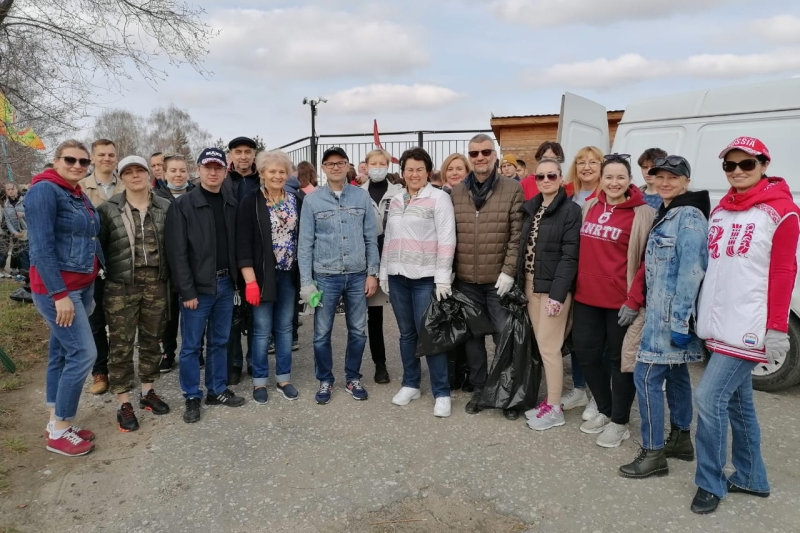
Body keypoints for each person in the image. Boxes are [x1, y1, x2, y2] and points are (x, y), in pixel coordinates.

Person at [691, 137, 800, 514]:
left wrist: (777, 327)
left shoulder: (783, 212)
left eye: (747, 164)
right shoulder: (721, 210)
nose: (737, 171)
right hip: (717, 322)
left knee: (708, 398)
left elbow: (784, 270)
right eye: (730, 165)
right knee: (739, 403)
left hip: (749, 325)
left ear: (764, 165)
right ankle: (752, 477)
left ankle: (710, 482)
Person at [618, 155, 709, 478]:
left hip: (669, 318)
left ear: (686, 181)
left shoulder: (689, 217)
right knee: (676, 373)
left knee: (646, 377)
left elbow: (692, 272)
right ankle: (681, 439)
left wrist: (680, 321)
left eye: (673, 177)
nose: (665, 182)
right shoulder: (667, 211)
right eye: (660, 177)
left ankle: (653, 452)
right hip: (659, 313)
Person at [26, 140, 104, 456]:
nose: (77, 166)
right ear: (56, 161)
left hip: (81, 286)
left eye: (84, 162)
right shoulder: (45, 191)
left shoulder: (75, 192)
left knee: (61, 352)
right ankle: (60, 430)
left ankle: (55, 421)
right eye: (70, 160)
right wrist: (59, 294)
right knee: (83, 353)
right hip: (59, 289)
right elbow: (41, 248)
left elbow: (88, 236)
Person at [573, 154, 655, 448]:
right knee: (586, 354)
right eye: (609, 177)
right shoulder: (590, 206)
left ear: (630, 180)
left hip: (621, 302)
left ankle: (619, 422)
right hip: (586, 297)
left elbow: (647, 261)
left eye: (621, 177)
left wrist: (634, 300)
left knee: (621, 362)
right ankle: (606, 410)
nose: (614, 183)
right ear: (601, 179)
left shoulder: (643, 213)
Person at [166, 148, 245, 424]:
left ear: (225, 171)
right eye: (207, 167)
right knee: (190, 346)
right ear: (198, 170)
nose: (213, 172)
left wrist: (237, 283)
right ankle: (191, 395)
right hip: (197, 289)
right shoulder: (183, 205)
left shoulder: (231, 203)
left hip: (225, 285)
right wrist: (186, 290)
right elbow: (177, 252)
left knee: (220, 341)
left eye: (218, 168)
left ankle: (216, 389)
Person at [298, 147, 379, 405]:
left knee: (358, 330)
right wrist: (306, 283)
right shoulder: (312, 201)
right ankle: (325, 379)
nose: (335, 167)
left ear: (347, 166)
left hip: (357, 275)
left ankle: (353, 377)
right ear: (323, 168)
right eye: (330, 163)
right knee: (322, 333)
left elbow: (370, 237)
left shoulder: (361, 197)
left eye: (340, 163)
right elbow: (305, 244)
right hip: (325, 276)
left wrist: (372, 273)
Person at [451, 134, 524, 419]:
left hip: (497, 281)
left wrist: (508, 271)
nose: (480, 157)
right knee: (473, 338)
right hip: (467, 280)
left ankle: (507, 393)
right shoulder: (458, 192)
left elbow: (517, 235)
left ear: (494, 155)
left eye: (485, 152)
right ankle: (480, 389)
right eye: (474, 153)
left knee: (503, 336)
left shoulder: (512, 189)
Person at [380, 147, 456, 417]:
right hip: (398, 277)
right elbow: (389, 238)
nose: (414, 174)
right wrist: (384, 271)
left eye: (419, 169)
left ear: (428, 172)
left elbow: (447, 238)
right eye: (409, 169)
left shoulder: (439, 198)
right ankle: (411, 383)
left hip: (425, 278)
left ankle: (442, 392)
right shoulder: (396, 200)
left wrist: (442, 278)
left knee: (430, 335)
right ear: (402, 172)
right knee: (407, 334)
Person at [98, 156, 171, 432]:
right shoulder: (108, 209)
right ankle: (124, 402)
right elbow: (100, 247)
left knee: (152, 340)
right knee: (121, 343)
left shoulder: (164, 206)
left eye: (140, 170)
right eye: (128, 172)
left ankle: (147, 392)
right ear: (122, 177)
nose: (135, 175)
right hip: (121, 285)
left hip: (156, 282)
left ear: (149, 174)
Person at [517, 158, 581, 430]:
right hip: (531, 284)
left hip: (553, 289)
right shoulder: (533, 207)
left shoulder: (570, 210)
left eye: (551, 176)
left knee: (549, 347)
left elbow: (570, 256)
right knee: (542, 345)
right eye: (540, 176)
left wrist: (558, 294)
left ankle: (555, 408)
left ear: (560, 178)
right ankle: (549, 400)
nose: (545, 180)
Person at [237, 150, 303, 404]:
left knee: (285, 327)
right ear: (262, 173)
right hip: (262, 275)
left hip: (288, 273)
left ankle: (284, 378)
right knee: (262, 329)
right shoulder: (251, 201)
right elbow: (243, 243)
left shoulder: (295, 200)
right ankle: (260, 381)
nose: (277, 175)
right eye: (272, 171)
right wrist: (250, 281)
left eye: (282, 171)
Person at [559, 145, 605, 421]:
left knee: (596, 339)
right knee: (577, 336)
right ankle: (579, 388)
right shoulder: (567, 194)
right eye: (581, 162)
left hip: (597, 275)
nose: (586, 167)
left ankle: (598, 395)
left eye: (592, 162)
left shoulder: (608, 196)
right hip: (571, 274)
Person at [79, 139, 125, 395]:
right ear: (93, 158)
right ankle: (100, 372)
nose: (107, 158)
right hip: (91, 264)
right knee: (95, 321)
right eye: (102, 155)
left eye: (111, 154)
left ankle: (120, 370)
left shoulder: (126, 185)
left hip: (121, 263)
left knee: (121, 322)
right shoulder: (80, 187)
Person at [153, 154, 199, 373]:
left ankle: (196, 350)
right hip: (166, 264)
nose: (178, 175)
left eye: (182, 170)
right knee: (169, 314)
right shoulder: (156, 197)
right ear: (164, 173)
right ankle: (168, 352)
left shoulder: (197, 194)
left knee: (194, 311)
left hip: (194, 263)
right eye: (173, 170)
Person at [362, 148, 403, 384]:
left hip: (397, 259)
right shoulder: (358, 193)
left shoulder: (399, 193)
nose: (377, 167)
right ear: (366, 165)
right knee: (374, 317)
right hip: (371, 260)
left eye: (382, 163)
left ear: (388, 166)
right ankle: (380, 364)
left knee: (405, 316)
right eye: (373, 163)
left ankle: (412, 364)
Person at [223, 136, 260, 385]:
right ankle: (234, 363)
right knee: (232, 316)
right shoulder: (223, 181)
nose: (243, 156)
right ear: (231, 155)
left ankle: (254, 361)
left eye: (248, 151)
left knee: (257, 316)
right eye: (238, 152)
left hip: (257, 254)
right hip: (229, 254)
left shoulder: (262, 179)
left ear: (254, 154)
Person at [440, 152, 472, 389]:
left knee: (467, 322)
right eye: (450, 169)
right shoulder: (440, 196)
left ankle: (467, 369)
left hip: (467, 266)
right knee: (447, 321)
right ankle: (450, 371)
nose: (454, 173)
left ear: (467, 172)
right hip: (444, 268)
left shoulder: (472, 196)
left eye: (459, 168)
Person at [3, 182, 29, 277]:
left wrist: (24, 214)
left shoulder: (25, 199)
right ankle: (19, 271)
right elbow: (7, 220)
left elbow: (33, 211)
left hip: (28, 230)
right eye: (8, 189)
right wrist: (13, 232)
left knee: (26, 251)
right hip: (16, 232)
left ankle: (27, 272)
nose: (10, 191)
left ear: (17, 189)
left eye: (12, 189)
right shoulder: (6, 204)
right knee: (17, 251)